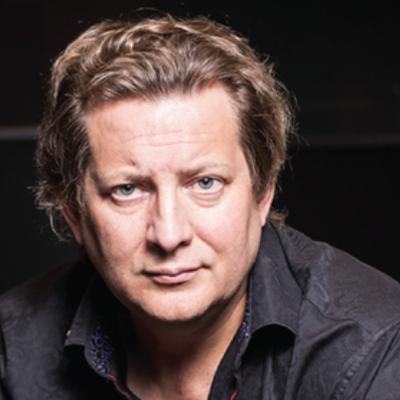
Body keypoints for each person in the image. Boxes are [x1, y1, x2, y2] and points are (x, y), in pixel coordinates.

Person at [1, 14, 400, 400]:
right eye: (127, 189)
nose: (169, 235)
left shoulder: (372, 350)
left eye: (205, 183)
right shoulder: (14, 350)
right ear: (73, 214)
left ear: (263, 193)